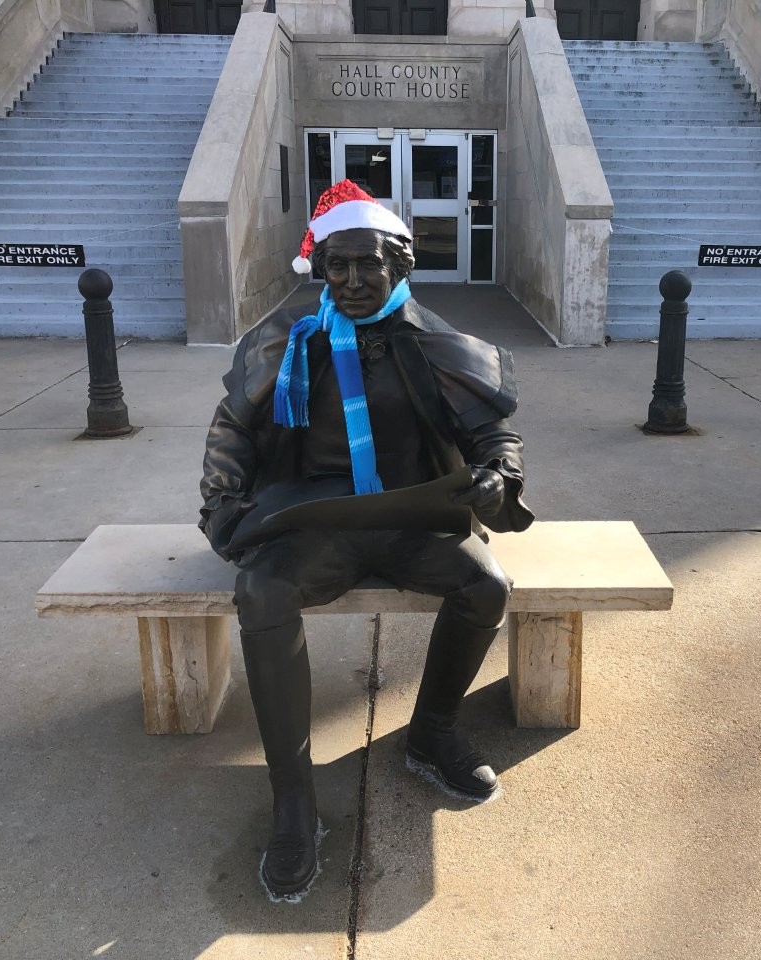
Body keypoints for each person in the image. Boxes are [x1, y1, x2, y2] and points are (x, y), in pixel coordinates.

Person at [199, 180, 534, 899]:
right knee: (260, 589)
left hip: (412, 520)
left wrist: (496, 477)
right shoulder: (288, 340)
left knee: (486, 585)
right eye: (336, 265)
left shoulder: (433, 342)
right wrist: (222, 504)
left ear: (401, 265)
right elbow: (231, 426)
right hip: (317, 523)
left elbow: (492, 432)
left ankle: (433, 732)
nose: (351, 280)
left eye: (368, 265)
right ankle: (293, 797)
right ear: (318, 267)